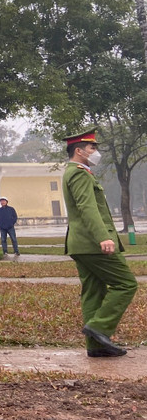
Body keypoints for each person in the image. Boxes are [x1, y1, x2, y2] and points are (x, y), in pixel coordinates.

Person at [62, 129, 137, 358]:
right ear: (79, 151)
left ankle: (96, 346)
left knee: (93, 292)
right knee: (126, 284)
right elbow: (87, 208)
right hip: (92, 243)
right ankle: (99, 327)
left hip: (82, 244)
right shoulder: (79, 173)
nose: (96, 152)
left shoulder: (77, 172)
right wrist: (103, 236)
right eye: (92, 148)